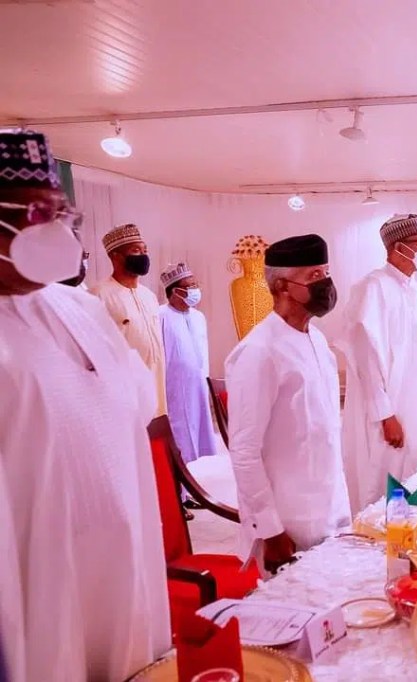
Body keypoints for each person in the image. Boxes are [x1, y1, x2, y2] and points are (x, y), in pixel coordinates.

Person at [0, 129, 169, 682]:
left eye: (61, 213)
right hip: (40, 582)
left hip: (124, 561)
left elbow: (134, 403)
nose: (54, 229)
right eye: (36, 213)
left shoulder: (81, 307)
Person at [225, 234, 351, 575]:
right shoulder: (259, 352)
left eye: (326, 272)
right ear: (282, 285)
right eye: (314, 275)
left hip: (330, 508)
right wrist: (270, 529)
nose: (325, 283)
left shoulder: (317, 340)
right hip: (288, 523)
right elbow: (244, 450)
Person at [340, 215, 417, 513]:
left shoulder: (411, 288)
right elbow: (366, 358)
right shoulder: (372, 287)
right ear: (398, 247)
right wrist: (385, 415)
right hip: (391, 413)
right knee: (384, 484)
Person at [92, 222, 166, 415]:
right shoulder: (98, 295)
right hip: (124, 388)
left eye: (145, 250)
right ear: (115, 256)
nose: (143, 255)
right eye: (135, 250)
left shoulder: (149, 296)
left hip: (156, 382)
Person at [159, 262, 218, 466]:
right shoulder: (161, 316)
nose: (194, 290)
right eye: (189, 286)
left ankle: (203, 470)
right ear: (175, 291)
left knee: (201, 425)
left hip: (199, 384)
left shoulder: (199, 317)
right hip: (175, 388)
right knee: (181, 430)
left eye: (195, 285)